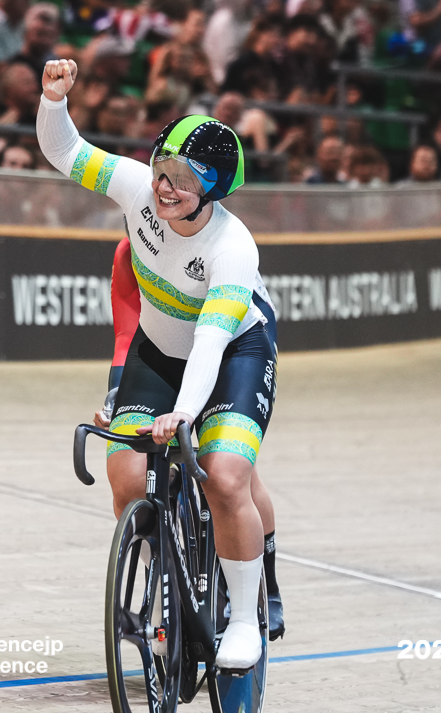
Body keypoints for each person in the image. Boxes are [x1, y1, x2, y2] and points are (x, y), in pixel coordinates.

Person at [38, 59, 280, 667]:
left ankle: (244, 619)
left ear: (213, 191)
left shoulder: (232, 249)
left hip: (233, 353)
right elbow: (65, 151)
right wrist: (54, 101)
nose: (164, 187)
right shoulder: (136, 189)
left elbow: (210, 343)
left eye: (183, 180)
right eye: (161, 169)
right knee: (127, 476)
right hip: (159, 348)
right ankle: (162, 581)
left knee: (226, 477)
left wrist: (184, 413)